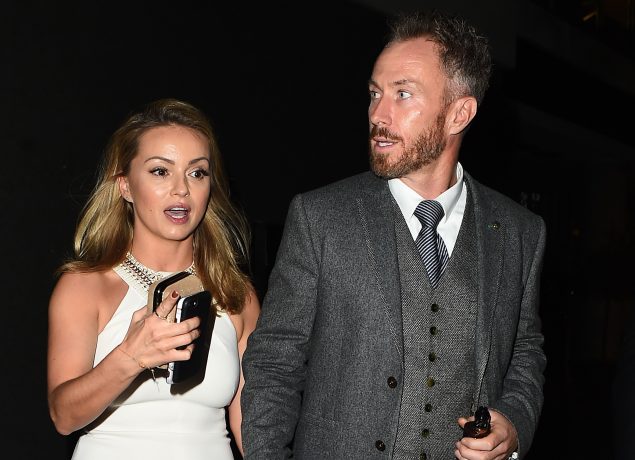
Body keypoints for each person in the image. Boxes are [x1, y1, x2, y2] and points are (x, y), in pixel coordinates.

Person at [241, 9, 546, 460]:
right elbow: (274, 366)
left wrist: (514, 424)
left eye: (403, 94)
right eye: (374, 93)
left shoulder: (520, 231)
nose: (378, 114)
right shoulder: (320, 217)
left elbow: (525, 351)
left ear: (459, 113)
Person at [47, 98, 260, 459]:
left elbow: (254, 434)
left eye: (197, 173)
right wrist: (130, 356)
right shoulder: (85, 287)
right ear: (125, 186)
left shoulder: (236, 295)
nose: (181, 189)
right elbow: (63, 416)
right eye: (160, 171)